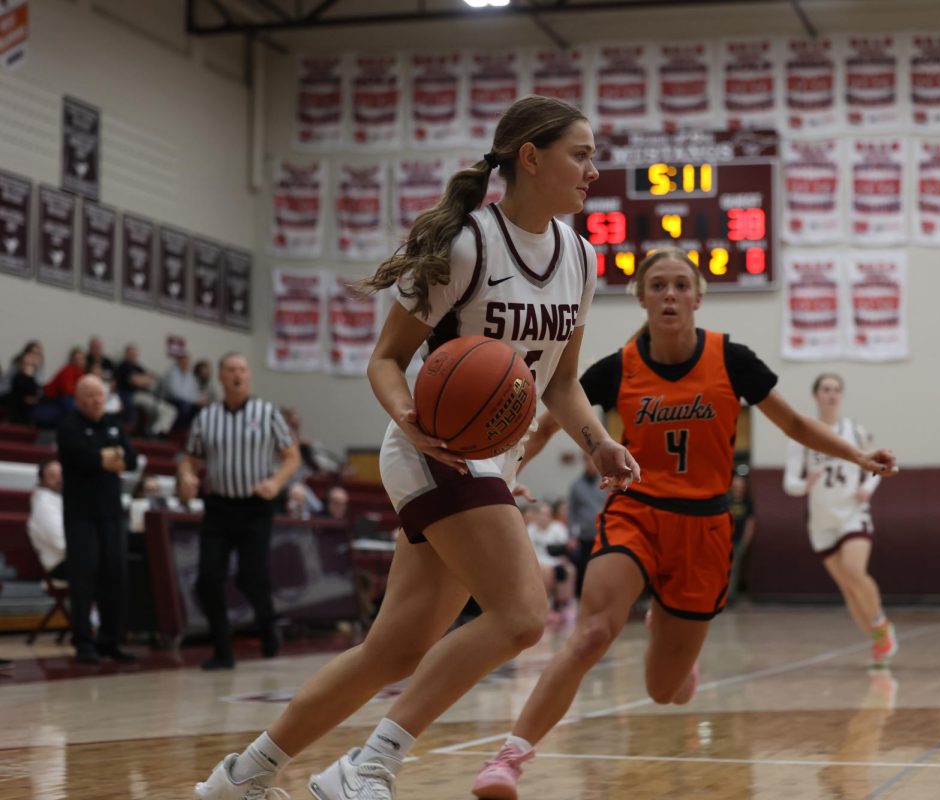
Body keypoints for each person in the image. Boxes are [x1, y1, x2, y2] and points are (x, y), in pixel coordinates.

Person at [194, 95, 638, 800]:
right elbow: (386, 358)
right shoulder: (468, 245)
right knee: (523, 616)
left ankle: (240, 778)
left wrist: (599, 443)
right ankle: (366, 766)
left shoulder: (581, 259)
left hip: (492, 462)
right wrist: (410, 418)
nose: (593, 170)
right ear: (530, 157)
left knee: (393, 648)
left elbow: (560, 384)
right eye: (580, 155)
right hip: (434, 449)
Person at [470, 248, 897, 799]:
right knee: (592, 633)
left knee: (665, 691)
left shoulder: (731, 359)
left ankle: (668, 639)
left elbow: (793, 423)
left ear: (697, 296)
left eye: (679, 285)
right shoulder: (619, 366)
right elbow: (549, 424)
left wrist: (857, 457)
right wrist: (502, 475)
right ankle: (509, 759)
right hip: (636, 514)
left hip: (705, 529)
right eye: (658, 286)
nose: (669, 295)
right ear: (642, 298)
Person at [178, 353, 300, 671]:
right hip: (219, 506)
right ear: (220, 377)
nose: (238, 375)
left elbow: (291, 456)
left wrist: (276, 483)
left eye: (243, 370)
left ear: (249, 377)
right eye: (231, 370)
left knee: (251, 577)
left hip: (255, 507)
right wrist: (187, 476)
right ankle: (223, 650)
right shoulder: (206, 418)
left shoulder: (267, 412)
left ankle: (268, 622)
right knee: (208, 579)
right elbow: (190, 459)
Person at [783, 374, 897, 667]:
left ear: (842, 396)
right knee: (847, 587)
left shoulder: (854, 431)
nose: (831, 394)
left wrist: (867, 488)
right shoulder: (803, 434)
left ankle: (881, 622)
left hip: (852, 514)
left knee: (853, 570)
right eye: (826, 389)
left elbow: (882, 466)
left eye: (836, 390)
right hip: (821, 522)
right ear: (816, 395)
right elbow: (789, 483)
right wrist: (805, 484)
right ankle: (877, 641)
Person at [56, 375, 138, 664]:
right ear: (78, 399)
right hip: (81, 516)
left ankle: (111, 640)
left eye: (99, 395)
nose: (96, 400)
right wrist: (106, 458)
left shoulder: (114, 423)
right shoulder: (69, 426)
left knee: (115, 578)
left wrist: (109, 457)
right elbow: (84, 459)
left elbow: (131, 457)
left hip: (113, 514)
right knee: (84, 580)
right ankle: (84, 643)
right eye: (89, 395)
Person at [525, 502, 577, 627]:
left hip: (556, 561)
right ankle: (548, 605)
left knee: (570, 569)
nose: (545, 517)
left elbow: (565, 549)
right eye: (542, 514)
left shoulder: (557, 528)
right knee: (547, 570)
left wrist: (564, 557)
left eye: (547, 514)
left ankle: (565, 604)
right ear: (536, 516)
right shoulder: (530, 530)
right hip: (539, 562)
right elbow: (529, 552)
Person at [565, 456, 605, 593]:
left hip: (602, 534)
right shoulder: (576, 486)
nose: (591, 464)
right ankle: (580, 599)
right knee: (583, 567)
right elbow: (572, 512)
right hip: (584, 536)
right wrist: (572, 536)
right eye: (588, 460)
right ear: (584, 462)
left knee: (602, 567)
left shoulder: (605, 483)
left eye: (594, 461)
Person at [26, 460, 67, 580]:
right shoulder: (44, 504)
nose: (59, 480)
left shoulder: (59, 497)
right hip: (59, 564)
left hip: (72, 558)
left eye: (61, 475)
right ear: (42, 481)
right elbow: (61, 544)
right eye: (52, 476)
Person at [727, 470, 756, 603]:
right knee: (722, 569)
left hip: (739, 540)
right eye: (736, 485)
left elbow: (750, 522)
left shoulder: (747, 502)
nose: (738, 487)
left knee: (734, 568)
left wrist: (745, 540)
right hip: (725, 540)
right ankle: (721, 595)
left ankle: (730, 596)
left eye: (740, 485)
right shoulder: (727, 500)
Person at [6, 349, 42, 426]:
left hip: (31, 412)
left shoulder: (33, 379)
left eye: (30, 364)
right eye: (25, 363)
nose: (28, 367)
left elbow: (37, 395)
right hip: (19, 413)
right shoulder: (18, 378)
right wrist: (28, 377)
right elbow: (26, 395)